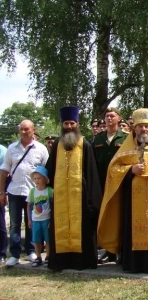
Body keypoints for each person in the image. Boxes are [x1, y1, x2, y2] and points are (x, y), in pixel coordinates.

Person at [97, 108, 148, 274]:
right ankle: (132, 263)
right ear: (134, 128)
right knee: (132, 229)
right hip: (132, 199)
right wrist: (131, 170)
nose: (144, 129)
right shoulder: (125, 150)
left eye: (147, 127)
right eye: (140, 126)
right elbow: (113, 169)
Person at [45, 106, 102, 271]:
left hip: (81, 198)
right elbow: (50, 168)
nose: (69, 126)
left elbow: (92, 174)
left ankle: (83, 262)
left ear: (77, 124)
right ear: (62, 125)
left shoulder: (85, 144)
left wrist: (92, 201)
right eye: (66, 123)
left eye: (71, 123)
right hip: (61, 196)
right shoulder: (57, 144)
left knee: (83, 229)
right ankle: (60, 262)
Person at [0, 120, 49, 267]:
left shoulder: (41, 149)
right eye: (21, 129)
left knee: (32, 223)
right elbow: (4, 171)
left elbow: (46, 171)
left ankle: (31, 251)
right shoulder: (12, 148)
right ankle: (14, 254)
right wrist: (2, 192)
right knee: (15, 224)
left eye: (26, 129)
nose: (23, 132)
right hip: (15, 191)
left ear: (33, 130)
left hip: (34, 192)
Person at [92, 107, 128, 263]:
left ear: (119, 118)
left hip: (120, 182)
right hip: (101, 183)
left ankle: (121, 249)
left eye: (112, 116)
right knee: (106, 216)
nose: (109, 118)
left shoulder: (126, 138)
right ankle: (109, 250)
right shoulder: (98, 139)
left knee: (120, 216)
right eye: (107, 116)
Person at [27, 166, 52, 267]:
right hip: (36, 220)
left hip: (46, 219)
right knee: (36, 240)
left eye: (39, 178)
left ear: (45, 179)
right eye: (35, 178)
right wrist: (29, 219)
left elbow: (53, 205)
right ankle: (38, 257)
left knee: (48, 240)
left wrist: (52, 220)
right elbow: (29, 205)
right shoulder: (32, 191)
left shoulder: (50, 191)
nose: (37, 181)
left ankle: (48, 257)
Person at [0, 144, 7, 264]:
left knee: (0, 224)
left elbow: (6, 173)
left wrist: (2, 192)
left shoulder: (2, 150)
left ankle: (1, 253)